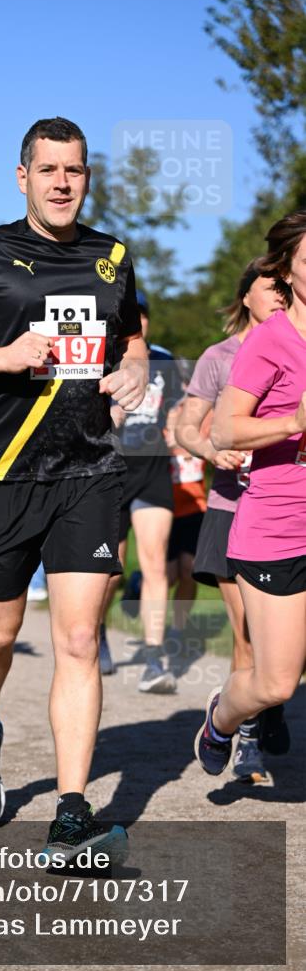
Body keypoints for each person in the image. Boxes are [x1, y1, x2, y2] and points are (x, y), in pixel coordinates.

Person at [0, 117, 147, 861]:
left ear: (86, 177)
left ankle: (71, 810)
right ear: (22, 177)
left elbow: (132, 336)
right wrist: (5, 355)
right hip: (2, 475)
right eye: (48, 170)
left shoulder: (112, 256)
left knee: (78, 638)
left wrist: (136, 368)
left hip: (87, 471)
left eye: (74, 170)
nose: (62, 182)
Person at [194, 210, 306, 779]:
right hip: (279, 527)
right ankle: (222, 720)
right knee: (275, 680)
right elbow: (225, 430)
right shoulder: (269, 340)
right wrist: (293, 421)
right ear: (286, 269)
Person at [177, 260, 285, 782]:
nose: (281, 296)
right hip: (231, 507)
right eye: (271, 288)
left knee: (281, 643)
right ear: (246, 297)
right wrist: (213, 451)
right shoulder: (220, 358)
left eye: (287, 287)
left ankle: (268, 698)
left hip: (288, 509)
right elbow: (186, 427)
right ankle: (244, 739)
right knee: (244, 631)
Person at [98, 291, 184, 690]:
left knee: (153, 565)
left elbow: (182, 412)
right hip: (111, 473)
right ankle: (97, 631)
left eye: (141, 316)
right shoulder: (103, 360)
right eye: (129, 316)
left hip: (153, 473)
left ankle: (154, 656)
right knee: (111, 571)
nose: (138, 322)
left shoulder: (166, 362)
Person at [163, 361, 207, 638]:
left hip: (194, 504)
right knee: (167, 575)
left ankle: (178, 627)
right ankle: (138, 586)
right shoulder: (160, 418)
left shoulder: (204, 418)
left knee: (189, 570)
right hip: (164, 506)